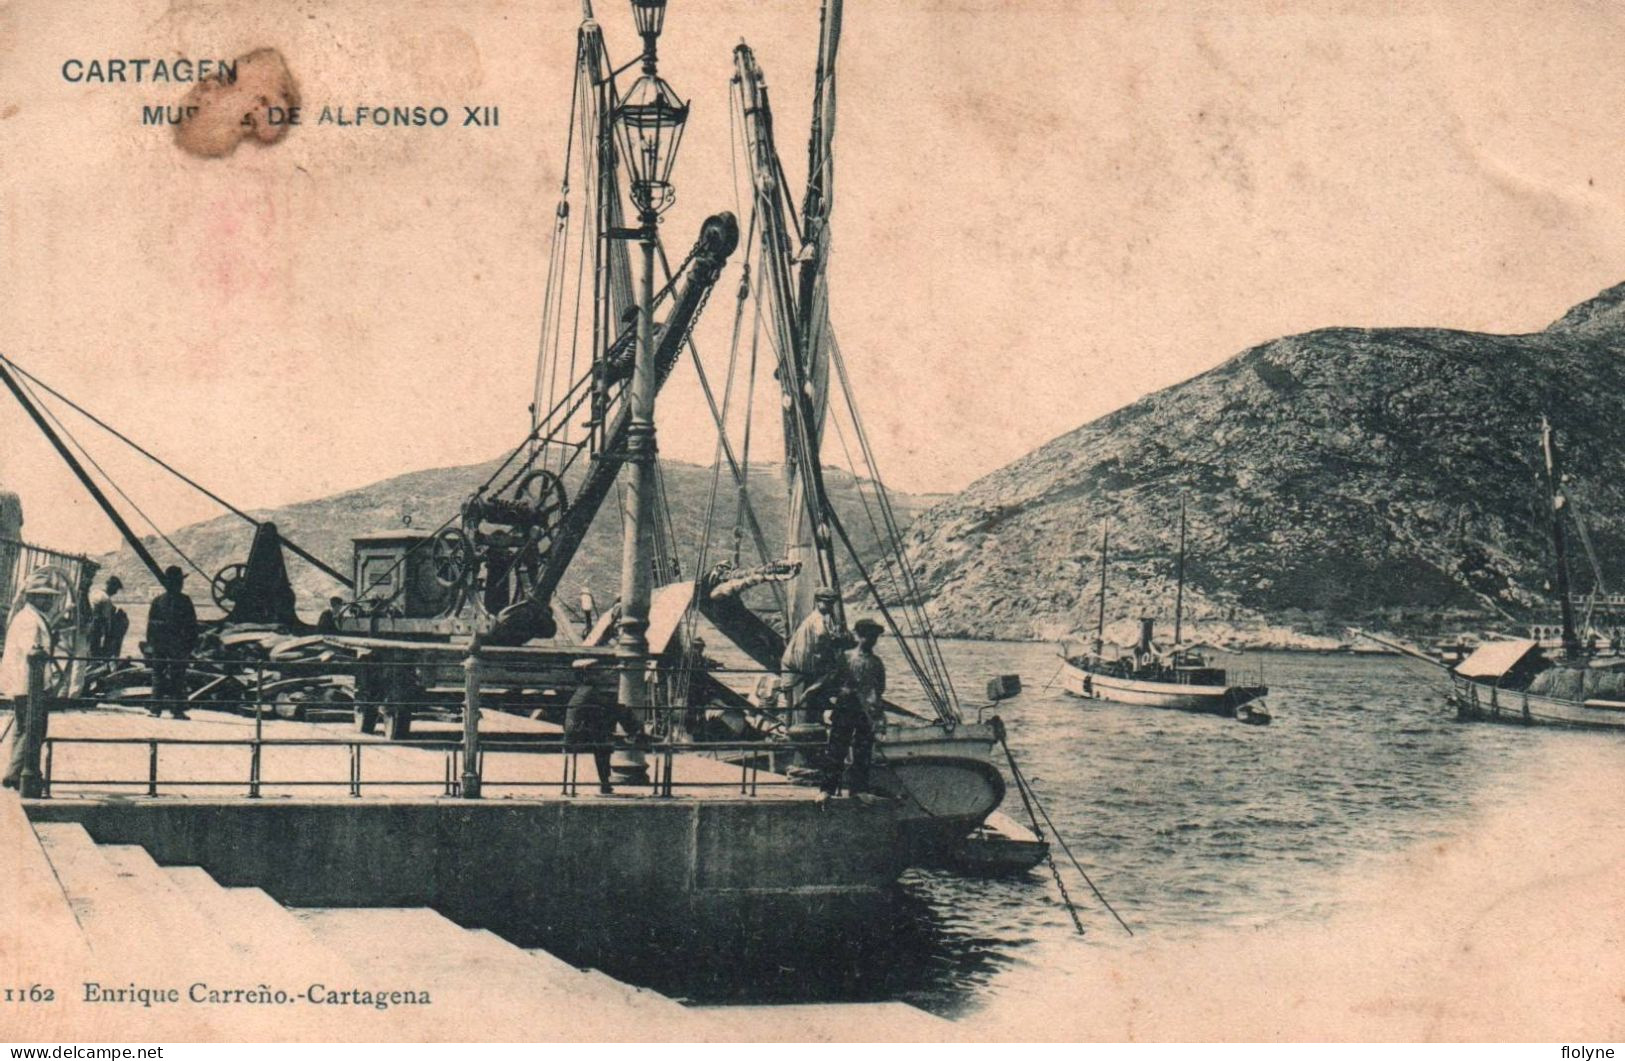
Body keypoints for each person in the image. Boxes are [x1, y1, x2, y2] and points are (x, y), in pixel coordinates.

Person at [2, 582, 58, 789]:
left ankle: (16, 772)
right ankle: (17, 773)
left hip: (22, 682)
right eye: (45, 597)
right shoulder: (29, 621)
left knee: (21, 727)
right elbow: (32, 652)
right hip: (29, 682)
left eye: (50, 597)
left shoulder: (29, 617)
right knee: (35, 728)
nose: (50, 601)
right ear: (32, 598)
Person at [824, 618, 885, 797]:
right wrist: (840, 696)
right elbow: (833, 681)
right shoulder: (845, 657)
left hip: (865, 712)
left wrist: (876, 713)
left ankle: (859, 789)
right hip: (845, 708)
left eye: (874, 637)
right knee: (836, 749)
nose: (871, 640)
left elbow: (880, 688)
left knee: (863, 752)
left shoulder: (876, 663)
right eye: (867, 636)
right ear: (858, 636)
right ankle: (827, 789)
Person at [780, 587, 853, 726]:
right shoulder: (817, 620)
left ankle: (810, 714)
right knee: (831, 675)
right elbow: (822, 636)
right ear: (818, 602)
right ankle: (808, 710)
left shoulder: (821, 619)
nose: (830, 606)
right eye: (827, 603)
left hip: (802, 664)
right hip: (799, 666)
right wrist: (837, 640)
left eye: (831, 603)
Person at [145, 565, 198, 720]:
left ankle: (155, 708)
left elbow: (150, 625)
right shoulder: (185, 601)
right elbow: (192, 626)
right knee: (178, 676)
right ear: (179, 583)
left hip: (160, 644)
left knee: (157, 675)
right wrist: (190, 645)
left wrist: (151, 644)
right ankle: (177, 710)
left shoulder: (157, 601)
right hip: (178, 645)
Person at [87, 575, 128, 662]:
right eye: (116, 589)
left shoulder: (94, 592)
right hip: (96, 628)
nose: (116, 592)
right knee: (95, 650)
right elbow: (106, 620)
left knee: (89, 649)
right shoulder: (106, 599)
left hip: (88, 624)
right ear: (111, 587)